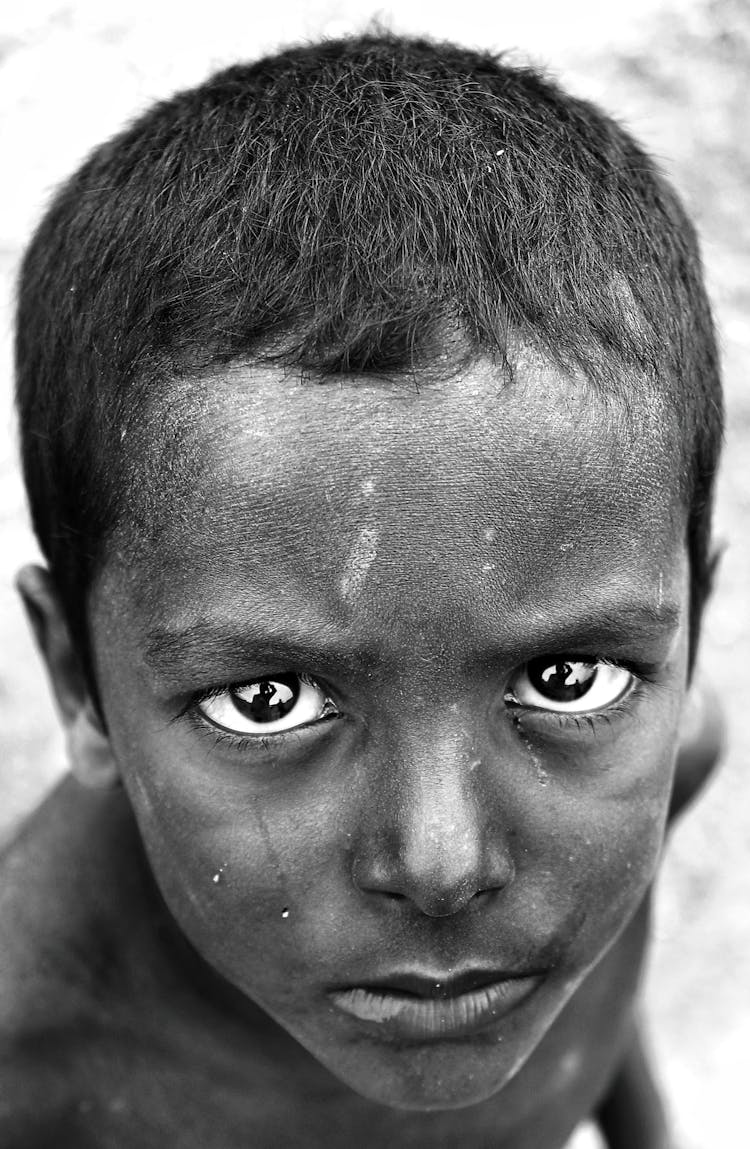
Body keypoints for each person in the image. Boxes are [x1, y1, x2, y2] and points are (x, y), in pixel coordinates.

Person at [0, 31, 724, 1148]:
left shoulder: (670, 761)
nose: (442, 866)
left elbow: (601, 1016)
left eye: (564, 678)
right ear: (75, 680)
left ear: (695, 639)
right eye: (268, 700)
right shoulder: (32, 1057)